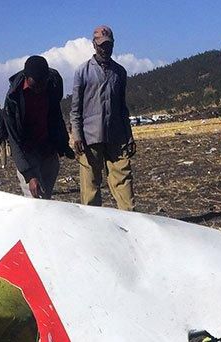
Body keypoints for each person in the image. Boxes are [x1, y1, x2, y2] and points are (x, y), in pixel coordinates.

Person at [70, 25, 135, 211]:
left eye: (108, 45)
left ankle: (130, 226)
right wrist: (77, 136)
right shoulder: (82, 72)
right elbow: (75, 109)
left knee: (124, 184)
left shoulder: (120, 72)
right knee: (90, 192)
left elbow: (123, 108)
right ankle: (92, 230)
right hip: (90, 139)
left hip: (116, 137)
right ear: (94, 45)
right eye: (101, 45)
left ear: (113, 45)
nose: (105, 49)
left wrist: (129, 136)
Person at [3, 55, 74, 199]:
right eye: (35, 85)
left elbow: (56, 115)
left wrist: (63, 144)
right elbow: (14, 140)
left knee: (46, 198)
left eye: (43, 84)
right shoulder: (13, 99)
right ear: (26, 78)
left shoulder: (53, 85)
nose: (39, 89)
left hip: (48, 150)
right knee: (35, 200)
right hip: (27, 152)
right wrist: (29, 175)